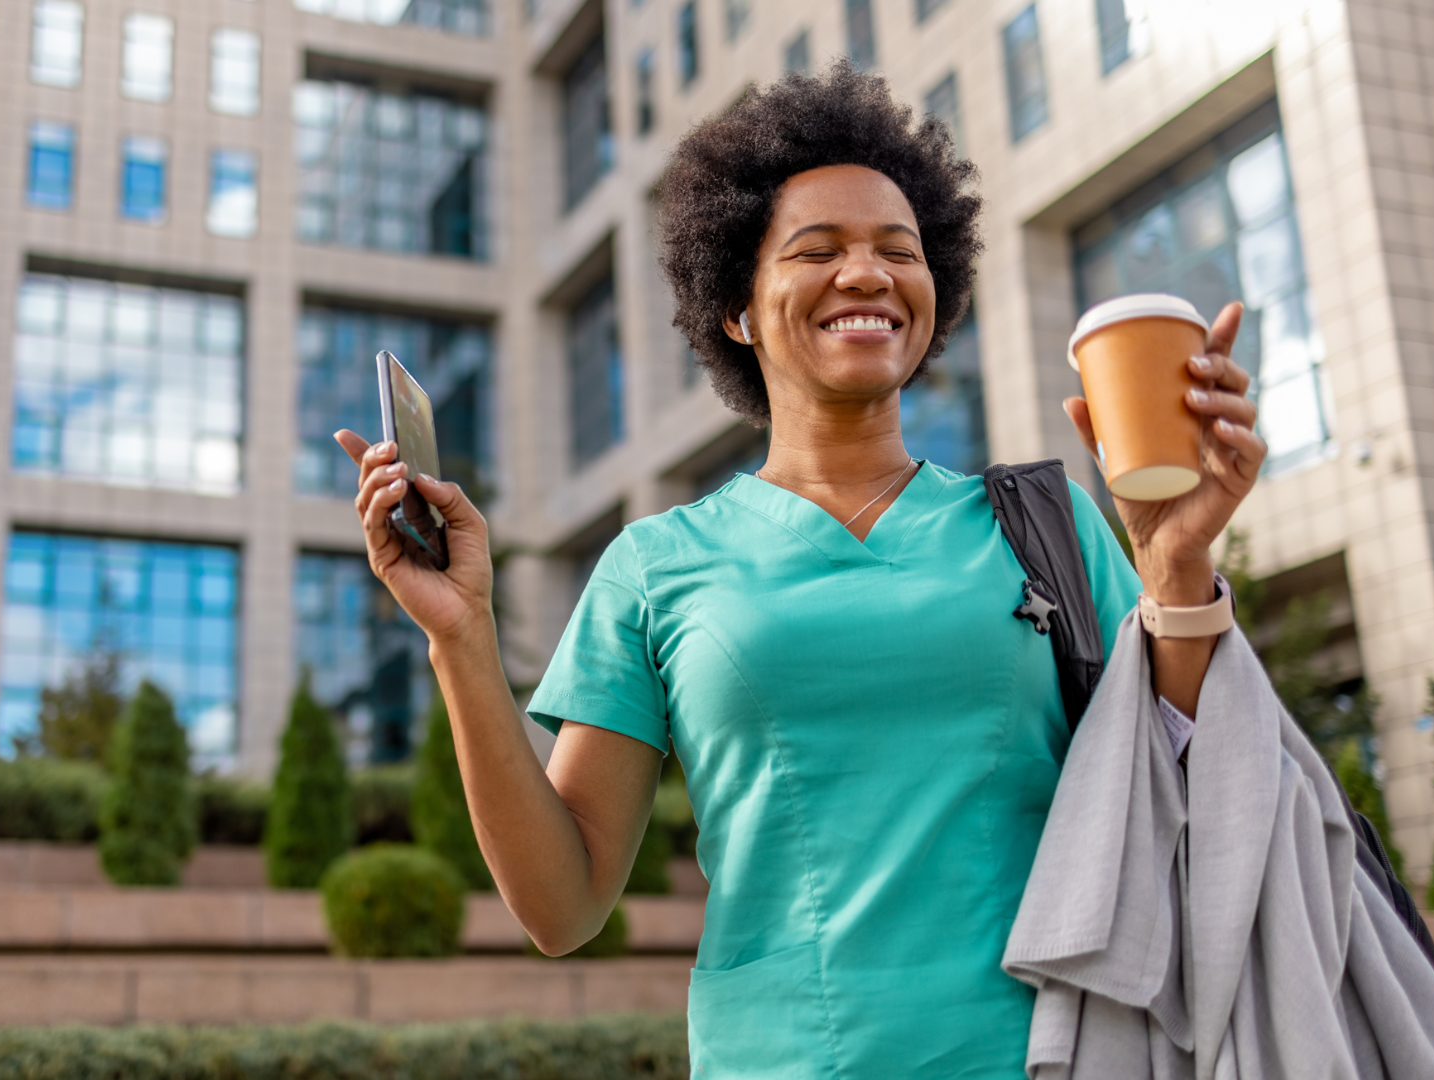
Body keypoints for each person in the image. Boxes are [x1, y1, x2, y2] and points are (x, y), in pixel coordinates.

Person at [334, 61, 1265, 1078]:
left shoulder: (1050, 530)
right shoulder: (656, 566)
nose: (865, 275)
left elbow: (1202, 797)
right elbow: (561, 907)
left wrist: (1175, 562)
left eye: (897, 252)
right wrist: (460, 638)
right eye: (817, 251)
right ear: (735, 308)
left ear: (934, 293)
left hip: (1049, 1059)